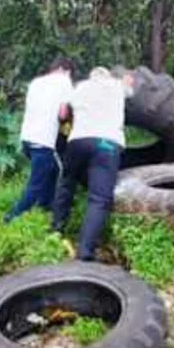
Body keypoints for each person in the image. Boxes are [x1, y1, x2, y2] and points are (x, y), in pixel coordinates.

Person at [52, 67, 134, 261]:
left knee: (66, 184)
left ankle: (56, 230)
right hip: (106, 143)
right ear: (108, 77)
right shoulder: (117, 86)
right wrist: (128, 80)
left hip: (77, 141)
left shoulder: (80, 87)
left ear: (91, 77)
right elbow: (130, 85)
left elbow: (63, 112)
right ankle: (85, 251)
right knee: (99, 199)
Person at [4, 57, 75, 223]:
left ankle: (46, 206)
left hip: (27, 139)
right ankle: (12, 217)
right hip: (43, 141)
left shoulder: (36, 82)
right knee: (36, 185)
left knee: (53, 170)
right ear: (66, 70)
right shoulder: (64, 82)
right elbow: (63, 114)